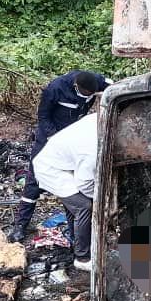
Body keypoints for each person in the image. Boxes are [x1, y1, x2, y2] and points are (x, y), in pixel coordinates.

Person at [9, 70, 111, 242]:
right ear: (75, 86)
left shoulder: (97, 81)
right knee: (34, 182)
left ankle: (75, 233)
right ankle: (20, 225)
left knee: (72, 185)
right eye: (85, 94)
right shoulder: (56, 88)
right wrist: (53, 138)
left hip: (74, 139)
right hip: (51, 137)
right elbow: (43, 116)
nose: (88, 97)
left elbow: (114, 90)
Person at [32, 113, 99, 271]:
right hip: (52, 170)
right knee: (84, 206)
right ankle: (82, 257)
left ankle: (76, 242)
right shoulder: (91, 150)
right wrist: (100, 200)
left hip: (63, 162)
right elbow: (85, 183)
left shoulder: (98, 118)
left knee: (74, 207)